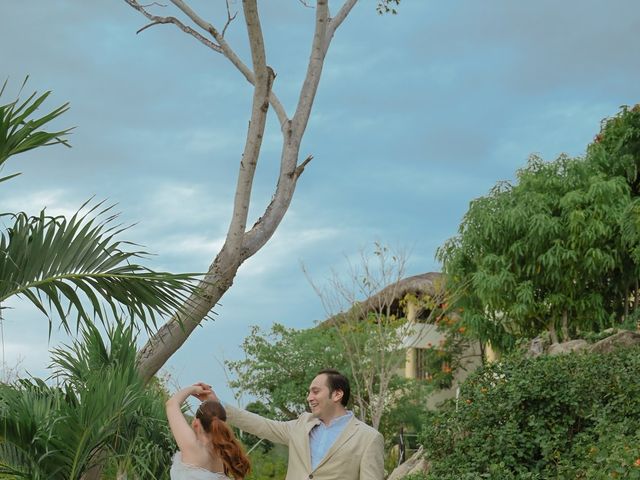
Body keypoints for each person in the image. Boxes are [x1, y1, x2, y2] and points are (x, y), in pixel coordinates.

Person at [204, 369, 385, 480]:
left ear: (337, 395)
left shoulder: (368, 438)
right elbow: (261, 425)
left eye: (315, 391)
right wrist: (217, 404)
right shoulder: (301, 424)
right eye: (309, 392)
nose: (309, 398)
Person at [165, 383, 251, 480]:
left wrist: (193, 389)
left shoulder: (193, 447)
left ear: (196, 423)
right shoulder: (225, 456)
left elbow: (171, 404)